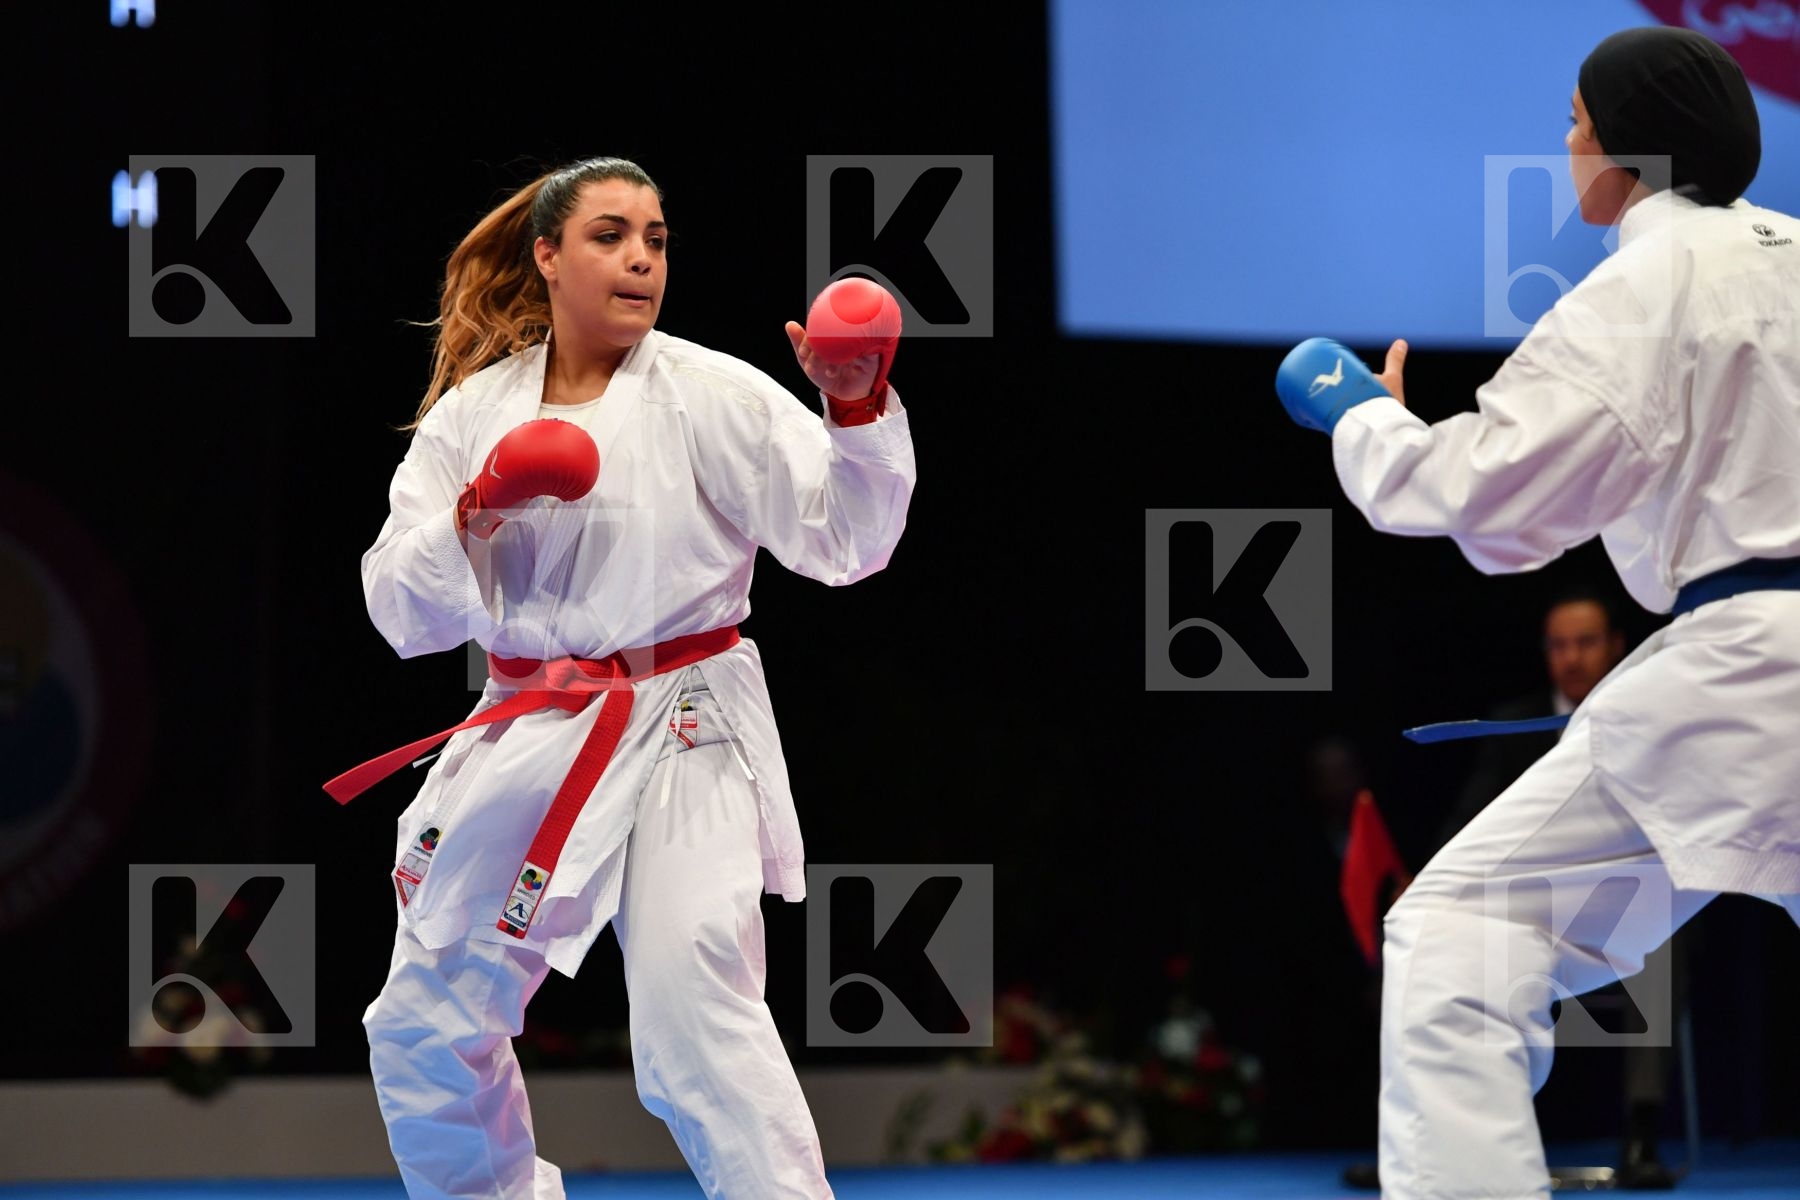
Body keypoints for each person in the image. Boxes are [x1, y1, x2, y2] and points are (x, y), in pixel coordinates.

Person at [1274, 26, 1797, 1200]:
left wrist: (1363, 419)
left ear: (1629, 149)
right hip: (1739, 681)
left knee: (1456, 946)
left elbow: (1490, 506)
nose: (1565, 146)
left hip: (1742, 685)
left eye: (1575, 120)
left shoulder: (1650, 280)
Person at [331, 157, 917, 1199]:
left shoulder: (712, 392)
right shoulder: (476, 414)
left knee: (698, 1005)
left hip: (686, 718)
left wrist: (858, 405)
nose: (642, 258)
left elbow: (846, 541)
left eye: (655, 238)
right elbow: (394, 607)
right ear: (548, 256)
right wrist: (476, 512)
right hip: (532, 723)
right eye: (610, 235)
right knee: (423, 1019)